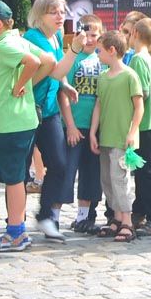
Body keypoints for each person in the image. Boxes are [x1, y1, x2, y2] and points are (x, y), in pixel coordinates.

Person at [0, 0, 43, 253]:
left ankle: (16, 233)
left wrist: (19, 85)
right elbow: (46, 59)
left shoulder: (5, 43)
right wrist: (27, 85)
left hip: (10, 121)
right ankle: (17, 229)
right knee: (17, 178)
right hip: (22, 119)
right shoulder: (19, 39)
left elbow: (35, 63)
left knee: (14, 179)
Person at [22, 0, 72, 243]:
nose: (59, 16)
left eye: (62, 11)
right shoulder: (33, 37)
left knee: (59, 164)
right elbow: (53, 67)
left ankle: (45, 214)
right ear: (40, 15)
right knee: (21, 169)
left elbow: (59, 70)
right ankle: (15, 220)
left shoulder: (57, 36)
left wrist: (65, 85)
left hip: (50, 110)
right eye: (53, 12)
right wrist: (74, 52)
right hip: (29, 109)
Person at [89, 30, 143, 243]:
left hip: (123, 137)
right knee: (107, 180)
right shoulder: (103, 77)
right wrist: (94, 131)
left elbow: (139, 107)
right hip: (106, 137)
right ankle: (117, 217)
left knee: (120, 179)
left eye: (100, 51)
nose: (98, 54)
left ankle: (128, 221)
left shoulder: (130, 75)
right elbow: (99, 105)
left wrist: (132, 131)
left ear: (112, 50)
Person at [61, 15, 105, 234]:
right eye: (85, 35)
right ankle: (54, 215)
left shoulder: (102, 61)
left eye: (93, 35)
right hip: (74, 125)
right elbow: (63, 92)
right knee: (66, 171)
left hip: (94, 127)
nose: (88, 39)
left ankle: (84, 216)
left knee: (91, 174)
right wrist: (70, 125)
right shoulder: (72, 59)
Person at [127, 17, 151, 236]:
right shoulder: (145, 57)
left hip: (145, 123)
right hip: (148, 122)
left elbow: (140, 93)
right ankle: (140, 210)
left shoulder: (138, 59)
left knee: (148, 172)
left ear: (135, 34)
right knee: (143, 171)